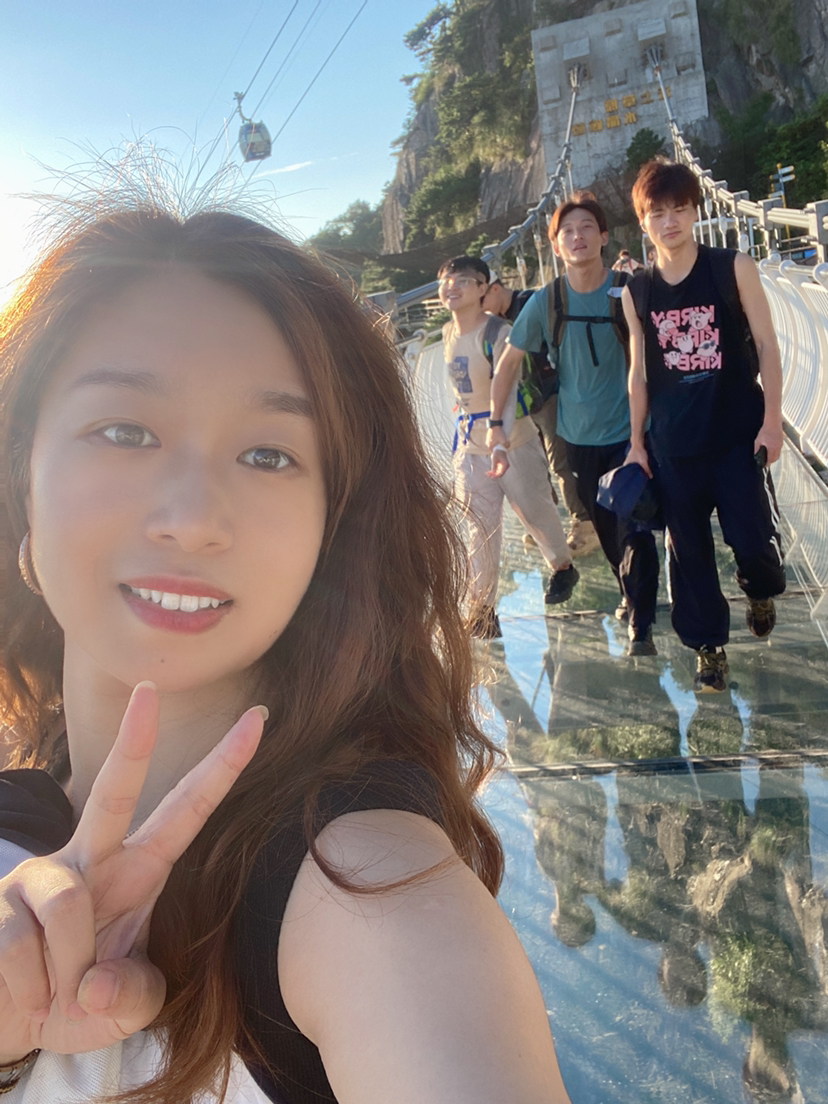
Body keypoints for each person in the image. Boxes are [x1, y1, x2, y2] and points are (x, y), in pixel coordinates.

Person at [0, 191, 573, 1104]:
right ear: (22, 482)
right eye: (124, 431)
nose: (193, 519)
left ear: (330, 532)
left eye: (269, 454)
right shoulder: (17, 814)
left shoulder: (367, 888)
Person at [623, 159, 786, 693]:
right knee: (688, 554)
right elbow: (638, 374)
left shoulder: (732, 267)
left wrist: (772, 423)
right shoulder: (636, 292)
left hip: (736, 436)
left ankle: (759, 589)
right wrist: (636, 444)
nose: (669, 221)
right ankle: (708, 648)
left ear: (695, 211)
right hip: (674, 446)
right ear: (643, 221)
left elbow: (767, 346)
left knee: (752, 540)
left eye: (679, 209)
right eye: (657, 213)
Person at [488, 194, 660, 656]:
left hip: (632, 432)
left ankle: (641, 621)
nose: (577, 236)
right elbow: (508, 364)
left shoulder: (629, 289)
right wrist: (495, 423)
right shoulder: (548, 300)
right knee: (607, 530)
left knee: (635, 527)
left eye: (586, 227)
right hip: (578, 437)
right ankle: (629, 592)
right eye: (567, 231)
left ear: (604, 237)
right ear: (556, 246)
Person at [438, 255, 578, 640]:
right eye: (446, 282)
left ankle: (563, 567)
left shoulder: (500, 332)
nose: (452, 288)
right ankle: (482, 610)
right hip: (470, 445)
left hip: (513, 439)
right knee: (479, 528)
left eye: (463, 281)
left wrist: (498, 432)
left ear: (484, 288)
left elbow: (510, 385)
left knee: (535, 512)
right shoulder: (448, 333)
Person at [482, 278, 599, 556]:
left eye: (482, 299)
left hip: (551, 394)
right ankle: (550, 526)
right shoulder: (494, 323)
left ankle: (585, 525)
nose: (481, 308)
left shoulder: (531, 304)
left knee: (560, 461)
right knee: (538, 463)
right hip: (527, 402)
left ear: (494, 288)